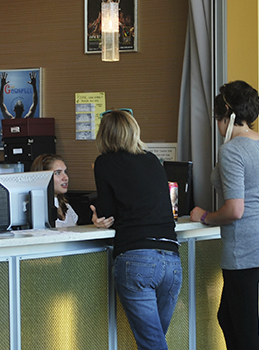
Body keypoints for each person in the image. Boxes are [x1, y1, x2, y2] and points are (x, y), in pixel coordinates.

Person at [190, 81, 259, 350]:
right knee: (227, 317)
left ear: (228, 115)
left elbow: (235, 210)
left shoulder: (232, 150)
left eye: (218, 118)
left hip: (244, 249)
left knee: (247, 331)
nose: (217, 124)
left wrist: (204, 216)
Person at [91, 109, 181, 350]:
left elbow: (108, 211)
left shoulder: (104, 163)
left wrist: (97, 217)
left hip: (137, 258)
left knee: (152, 345)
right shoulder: (152, 160)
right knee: (154, 343)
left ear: (104, 135)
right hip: (171, 261)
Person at [31, 153, 79, 227]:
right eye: (57, 173)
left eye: (65, 172)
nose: (65, 177)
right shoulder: (37, 211)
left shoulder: (66, 207)